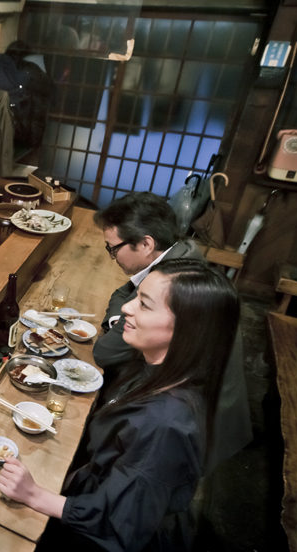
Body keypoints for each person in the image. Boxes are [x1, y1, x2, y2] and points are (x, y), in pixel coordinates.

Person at [0, 259, 240, 551]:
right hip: (93, 493)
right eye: (136, 295)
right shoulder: (158, 367)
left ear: (189, 328)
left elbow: (122, 523)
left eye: (145, 305)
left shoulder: (166, 423)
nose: (127, 307)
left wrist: (34, 495)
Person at [92, 191, 251, 471]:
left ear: (145, 244)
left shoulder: (174, 280)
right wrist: (118, 319)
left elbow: (104, 353)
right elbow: (123, 292)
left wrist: (120, 322)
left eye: (113, 248)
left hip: (196, 422)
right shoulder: (181, 253)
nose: (111, 257)